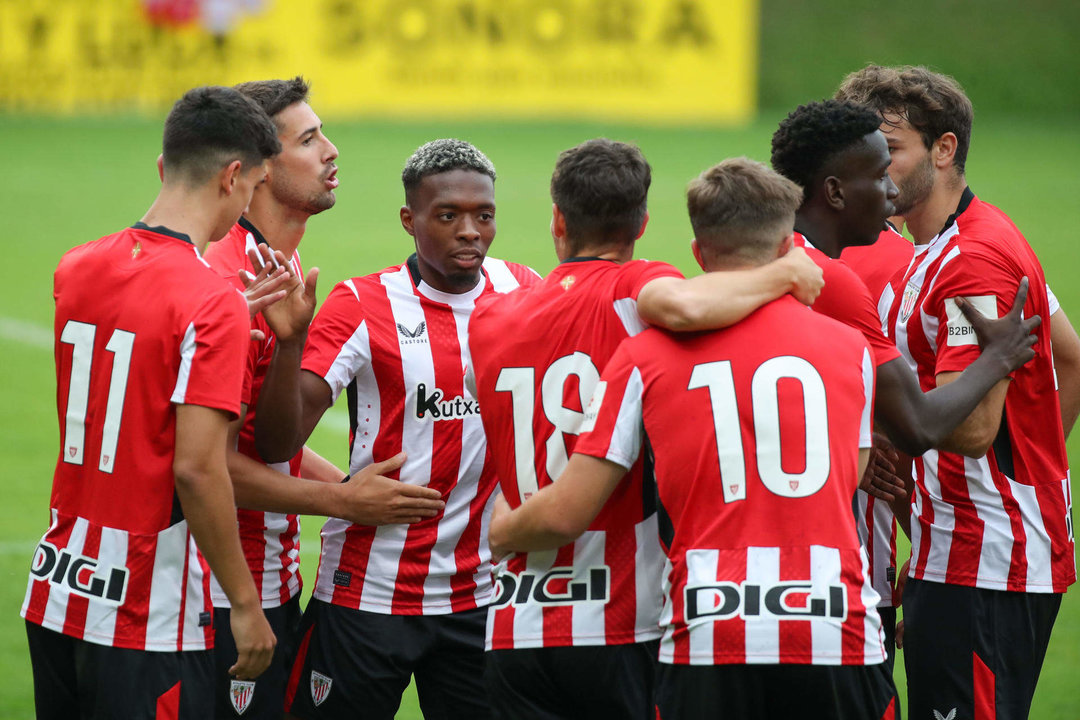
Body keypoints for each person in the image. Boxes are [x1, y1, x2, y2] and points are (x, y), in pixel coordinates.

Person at [487, 157, 899, 719]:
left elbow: (570, 506)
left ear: (699, 254)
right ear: (786, 249)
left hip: (705, 625)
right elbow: (845, 477)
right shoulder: (851, 351)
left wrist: (504, 526)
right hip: (835, 624)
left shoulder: (644, 356)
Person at [252, 139, 539, 719]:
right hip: (367, 593)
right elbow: (277, 444)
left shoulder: (523, 292)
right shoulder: (362, 303)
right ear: (409, 219)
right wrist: (290, 344)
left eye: (483, 215)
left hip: (483, 596)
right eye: (448, 215)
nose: (469, 231)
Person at [22, 86, 280, 719]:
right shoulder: (209, 299)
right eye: (252, 190)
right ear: (232, 177)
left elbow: (135, 354)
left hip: (58, 588)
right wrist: (245, 606)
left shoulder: (75, 267)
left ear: (164, 166)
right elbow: (196, 468)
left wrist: (209, 326)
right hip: (146, 613)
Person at [829, 65, 1076, 719]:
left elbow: (971, 428)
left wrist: (870, 435)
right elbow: (1071, 359)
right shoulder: (951, 243)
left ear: (944, 149)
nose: (873, 166)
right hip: (966, 550)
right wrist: (1023, 475)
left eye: (890, 148)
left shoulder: (971, 266)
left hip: (985, 565)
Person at [201, 77, 446, 720]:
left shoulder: (273, 266)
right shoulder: (228, 282)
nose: (332, 150)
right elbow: (208, 461)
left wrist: (359, 491)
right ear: (256, 167)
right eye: (309, 139)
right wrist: (339, 499)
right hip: (216, 594)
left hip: (269, 583)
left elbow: (256, 440)